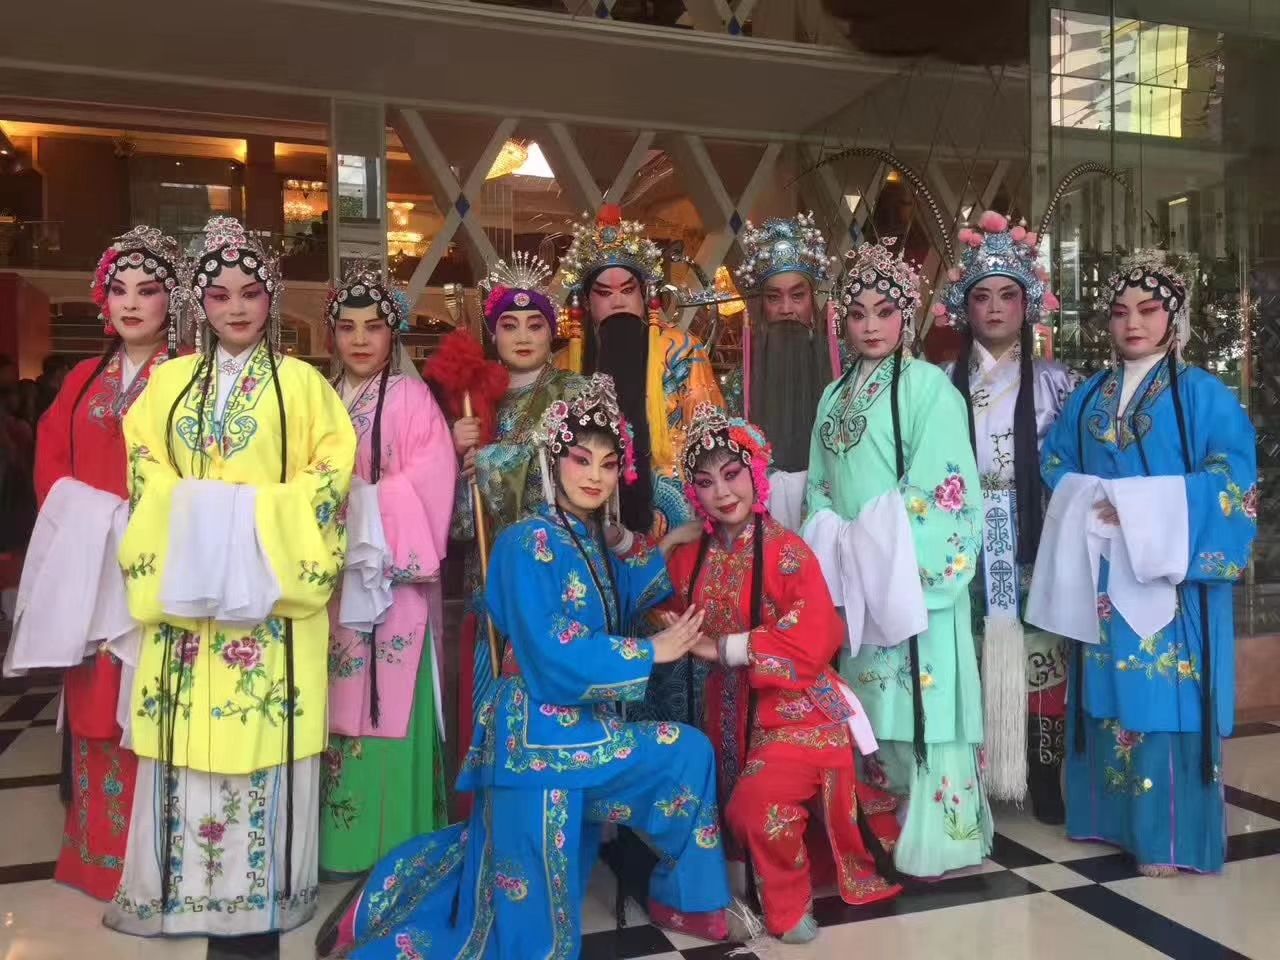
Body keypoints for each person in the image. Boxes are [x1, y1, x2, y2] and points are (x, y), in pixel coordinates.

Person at [318, 375, 752, 959]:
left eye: (607, 464)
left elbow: (636, 591)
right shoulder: (526, 543)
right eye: (581, 460)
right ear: (553, 462)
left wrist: (655, 542)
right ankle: (387, 900)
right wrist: (652, 651)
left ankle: (689, 902)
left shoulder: (590, 541)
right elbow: (551, 650)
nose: (595, 476)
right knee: (528, 938)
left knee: (687, 754)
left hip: (590, 733)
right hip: (532, 739)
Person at [106, 216, 356, 939]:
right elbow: (144, 465)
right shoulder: (169, 382)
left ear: (271, 298)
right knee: (181, 740)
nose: (236, 308)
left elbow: (330, 475)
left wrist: (242, 518)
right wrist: (200, 513)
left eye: (250, 293)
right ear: (200, 303)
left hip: (268, 605)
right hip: (188, 604)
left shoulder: (304, 385)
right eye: (219, 296)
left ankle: (266, 895)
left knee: (264, 731)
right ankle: (170, 895)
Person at [1031, 250, 1257, 876]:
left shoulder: (1202, 393)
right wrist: (1090, 498)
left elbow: (1233, 480)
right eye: (1120, 312)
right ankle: (1108, 820)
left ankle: (1169, 839)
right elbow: (1055, 461)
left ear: (1173, 317)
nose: (1133, 323)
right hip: (1106, 569)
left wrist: (1139, 506)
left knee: (1166, 695)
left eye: (1149, 310)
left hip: (1170, 575)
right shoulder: (1090, 395)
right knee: (1107, 691)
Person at [665, 402, 901, 944]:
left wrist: (725, 648)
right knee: (712, 801)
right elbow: (654, 598)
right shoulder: (692, 555)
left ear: (755, 472)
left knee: (756, 807)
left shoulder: (787, 552)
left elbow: (814, 636)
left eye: (732, 474)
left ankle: (788, 904)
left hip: (797, 708)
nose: (722, 492)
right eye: (705, 482)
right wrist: (658, 543)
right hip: (726, 711)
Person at [803, 239, 990, 878]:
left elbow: (945, 485)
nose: (872, 326)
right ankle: (883, 829)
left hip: (910, 573)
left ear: (906, 315)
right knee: (871, 708)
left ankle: (944, 838)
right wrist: (835, 535)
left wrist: (873, 536)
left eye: (885, 312)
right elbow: (820, 487)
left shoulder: (927, 386)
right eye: (858, 314)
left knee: (923, 704)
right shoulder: (832, 395)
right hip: (858, 576)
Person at [18, 226, 185, 900]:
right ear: (102, 300)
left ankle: (160, 862)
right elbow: (50, 466)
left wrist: (144, 526)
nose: (132, 303)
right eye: (120, 290)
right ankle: (98, 854)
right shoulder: (83, 379)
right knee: (94, 705)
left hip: (162, 568)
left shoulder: (191, 376)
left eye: (148, 289)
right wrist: (99, 522)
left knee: (156, 706)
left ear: (173, 300)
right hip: (91, 570)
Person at [935, 210, 1078, 821]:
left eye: (1007, 296)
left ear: (1028, 305)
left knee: (1043, 656)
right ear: (964, 307)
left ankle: (1043, 775)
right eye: (982, 296)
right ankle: (978, 772)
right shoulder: (940, 382)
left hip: (1033, 536)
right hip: (964, 540)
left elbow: (1072, 464)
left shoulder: (1057, 382)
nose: (994, 308)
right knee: (968, 652)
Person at [559, 205, 725, 725]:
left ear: (646, 295)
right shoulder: (569, 365)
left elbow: (711, 439)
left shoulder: (680, 351)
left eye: (626, 290)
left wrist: (695, 521)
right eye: (603, 292)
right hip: (594, 527)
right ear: (586, 301)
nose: (616, 301)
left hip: (675, 524)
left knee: (679, 659)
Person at [321, 263, 456, 876]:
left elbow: (431, 482)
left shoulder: (411, 398)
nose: (359, 339)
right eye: (347, 327)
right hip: (330, 582)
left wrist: (362, 504)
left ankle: (394, 847)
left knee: (389, 704)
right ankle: (336, 847)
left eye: (373, 327)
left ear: (392, 333)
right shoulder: (319, 398)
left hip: (390, 583)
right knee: (332, 703)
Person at [449, 253, 584, 743]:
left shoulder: (577, 391)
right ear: (494, 334)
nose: (523, 336)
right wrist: (454, 445)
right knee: (491, 699)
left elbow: (581, 471)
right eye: (510, 325)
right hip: (489, 569)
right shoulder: (476, 397)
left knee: (552, 699)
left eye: (535, 325)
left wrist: (489, 460)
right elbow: (459, 507)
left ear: (552, 332)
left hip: (555, 567)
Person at [730, 213, 836, 530]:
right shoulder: (741, 378)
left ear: (813, 300)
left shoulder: (841, 366)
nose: (787, 309)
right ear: (761, 305)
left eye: (798, 296)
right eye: (774, 298)